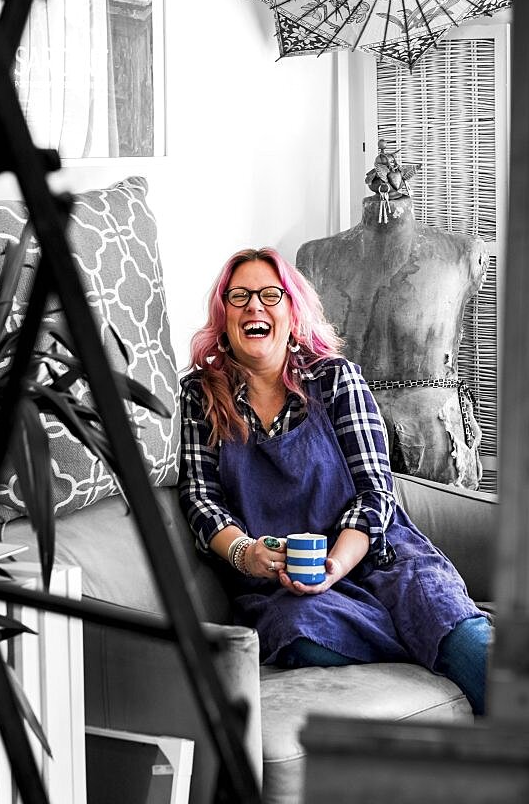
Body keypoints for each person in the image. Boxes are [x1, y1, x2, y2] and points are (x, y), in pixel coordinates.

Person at [178, 247, 492, 715]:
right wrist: (248, 554)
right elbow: (201, 498)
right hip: (287, 584)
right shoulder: (199, 396)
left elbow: (375, 491)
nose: (254, 307)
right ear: (224, 315)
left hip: (380, 559)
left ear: (292, 311)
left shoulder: (336, 381)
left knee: (456, 632)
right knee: (300, 639)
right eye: (239, 296)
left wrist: (338, 564)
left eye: (270, 294)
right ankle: (422, 636)